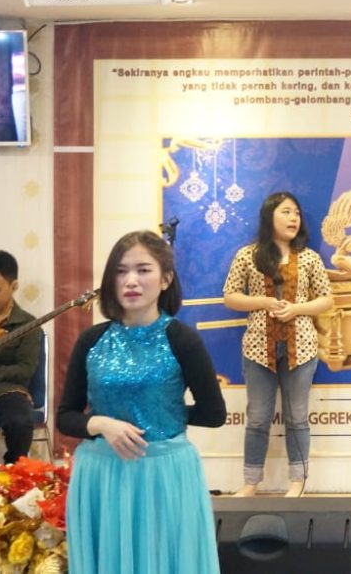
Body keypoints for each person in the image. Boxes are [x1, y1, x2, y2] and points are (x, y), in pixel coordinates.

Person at [57, 230, 226, 574]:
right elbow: (65, 416)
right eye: (120, 271)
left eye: (143, 270)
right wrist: (101, 423)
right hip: (101, 474)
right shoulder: (92, 339)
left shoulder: (182, 339)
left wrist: (159, 413)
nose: (130, 280)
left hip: (163, 474)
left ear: (166, 279)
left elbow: (214, 413)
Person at [223, 191, 333, 497]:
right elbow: (230, 296)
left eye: (296, 213)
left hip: (302, 347)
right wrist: (263, 302)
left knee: (297, 417)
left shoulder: (309, 257)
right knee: (258, 417)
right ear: (269, 216)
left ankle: (297, 482)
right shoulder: (248, 255)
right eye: (286, 212)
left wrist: (296, 309)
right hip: (258, 348)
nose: (293, 218)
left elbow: (327, 299)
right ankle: (250, 483)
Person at [0, 251, 40, 464]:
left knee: (20, 421)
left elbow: (25, 369)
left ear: (14, 286)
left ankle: (15, 472)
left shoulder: (28, 324)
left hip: (7, 391)